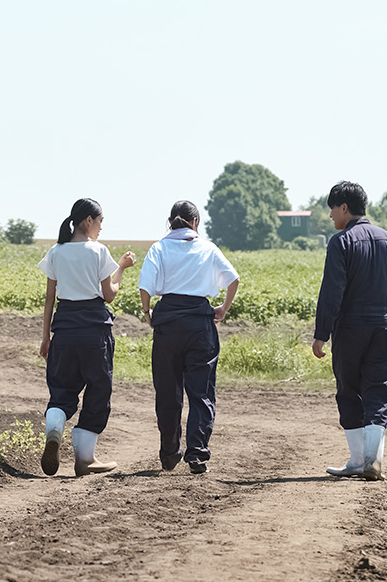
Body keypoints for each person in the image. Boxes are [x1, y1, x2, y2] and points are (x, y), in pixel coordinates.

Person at [312, 181, 387, 481]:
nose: (330, 215)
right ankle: (373, 460)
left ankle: (357, 460)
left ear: (344, 207)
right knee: (379, 390)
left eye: (331, 208)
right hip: (384, 327)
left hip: (351, 327)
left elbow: (332, 292)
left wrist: (321, 333)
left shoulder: (341, 242)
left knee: (349, 389)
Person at [138, 200, 239, 474]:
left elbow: (145, 285)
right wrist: (223, 309)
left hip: (168, 323)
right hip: (199, 324)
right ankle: (197, 454)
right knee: (201, 391)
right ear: (196, 222)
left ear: (169, 222)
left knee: (168, 392)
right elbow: (233, 280)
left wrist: (148, 313)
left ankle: (170, 453)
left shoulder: (159, 247)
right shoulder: (208, 248)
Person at [38, 198, 135, 477]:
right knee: (98, 389)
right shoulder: (98, 251)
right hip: (94, 330)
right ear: (88, 221)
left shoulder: (56, 252)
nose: (101, 227)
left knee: (61, 390)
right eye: (101, 221)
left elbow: (49, 300)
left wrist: (46, 337)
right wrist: (122, 268)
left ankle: (54, 430)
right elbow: (109, 294)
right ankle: (84, 459)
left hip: (64, 330)